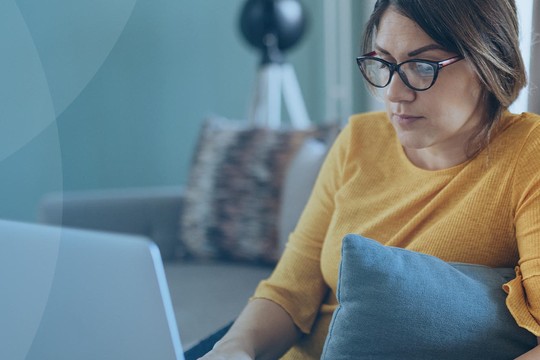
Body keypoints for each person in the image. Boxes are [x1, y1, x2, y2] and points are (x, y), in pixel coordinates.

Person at [198, 0, 540, 358]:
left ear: (488, 60)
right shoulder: (359, 140)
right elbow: (289, 289)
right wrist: (234, 349)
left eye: (421, 66)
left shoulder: (527, 156)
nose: (393, 93)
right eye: (384, 62)